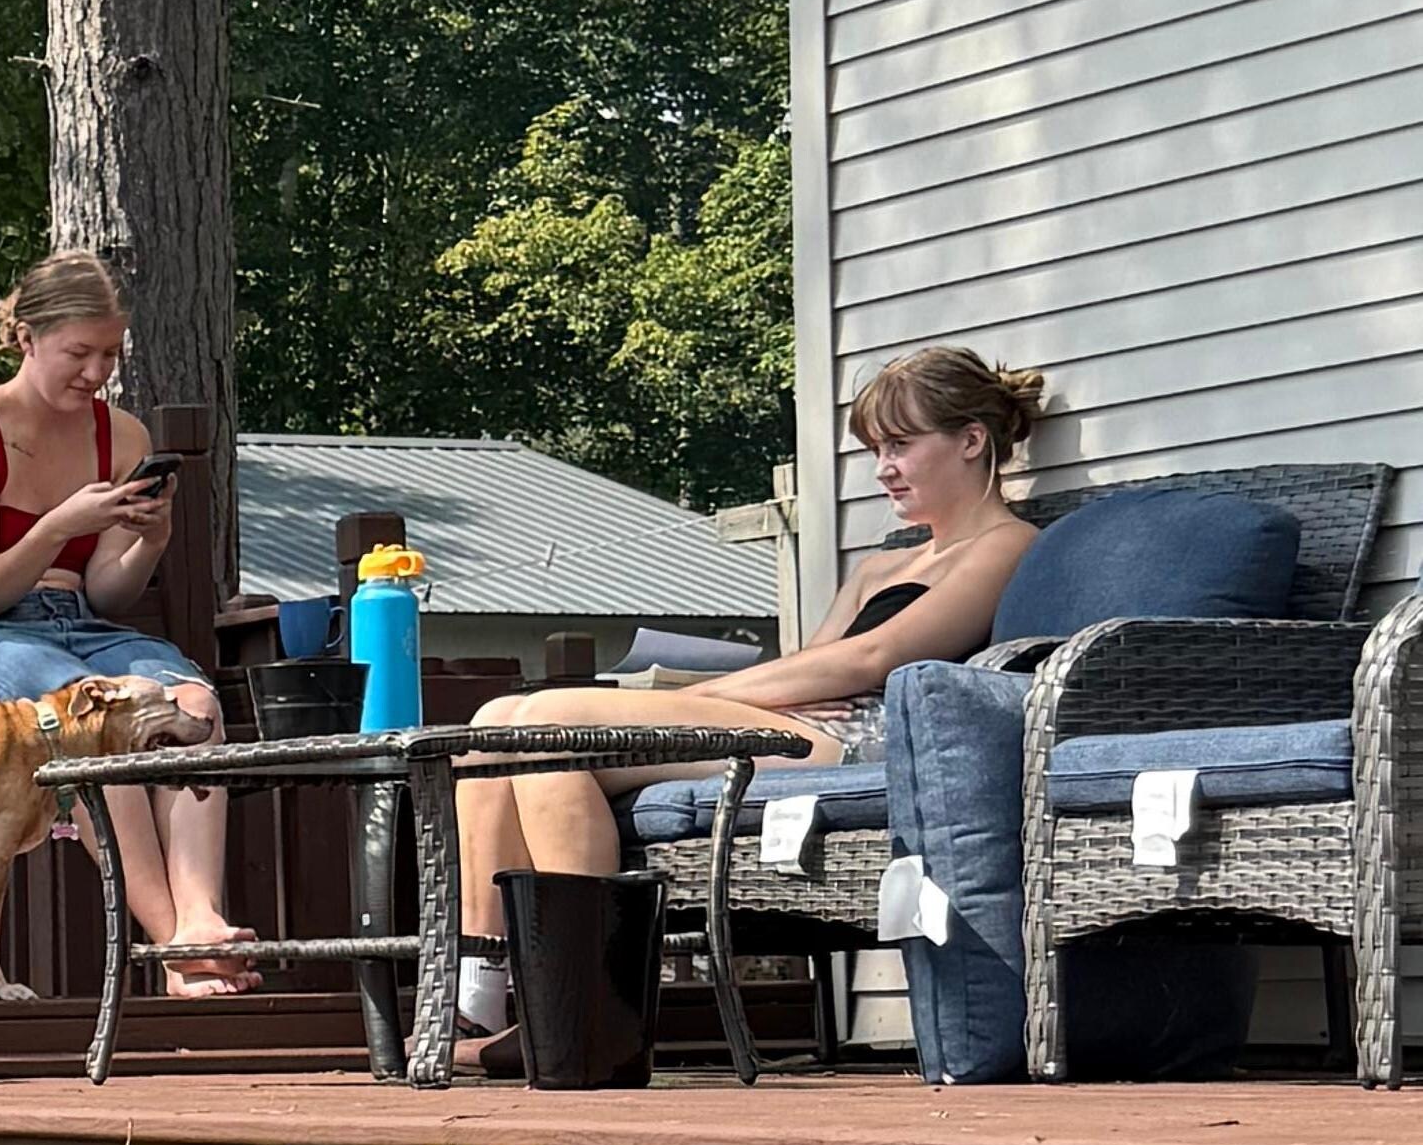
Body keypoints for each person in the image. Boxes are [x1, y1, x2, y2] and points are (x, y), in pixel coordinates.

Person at [444, 342, 1047, 1047]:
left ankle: (585, 1007)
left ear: (972, 441)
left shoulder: (1005, 546)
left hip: (866, 740)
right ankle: (492, 996)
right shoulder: (883, 565)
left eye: (901, 446)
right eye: (877, 448)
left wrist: (710, 693)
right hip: (799, 723)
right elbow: (813, 663)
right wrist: (757, 697)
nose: (884, 468)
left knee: (547, 716)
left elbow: (875, 657)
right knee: (497, 726)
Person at [0, 252, 255, 997]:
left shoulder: (120, 436)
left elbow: (104, 589)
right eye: (79, 353)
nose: (95, 371)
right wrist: (57, 524)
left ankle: (200, 912)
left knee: (193, 706)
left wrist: (149, 539)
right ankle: (176, 948)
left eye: (109, 355)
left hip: (79, 625)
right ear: (27, 337)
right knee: (98, 714)